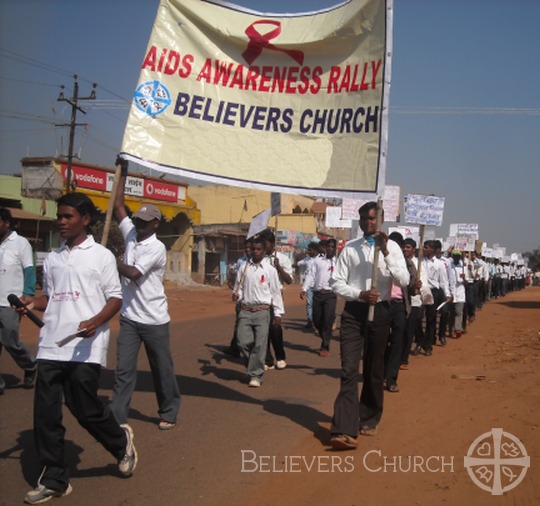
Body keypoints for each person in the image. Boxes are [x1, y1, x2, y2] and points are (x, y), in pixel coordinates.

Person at [18, 192, 136, 504]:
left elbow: (115, 298)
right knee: (45, 414)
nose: (61, 221)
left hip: (86, 346)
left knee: (85, 408)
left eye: (68, 216)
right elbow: (52, 297)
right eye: (60, 216)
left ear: (85, 220)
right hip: (52, 346)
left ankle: (120, 444)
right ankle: (56, 479)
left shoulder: (101, 256)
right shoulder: (54, 257)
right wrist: (34, 302)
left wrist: (96, 321)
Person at [329, 202, 409, 449]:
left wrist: (384, 252)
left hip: (381, 312)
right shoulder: (350, 249)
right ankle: (344, 428)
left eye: (372, 218)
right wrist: (360, 294)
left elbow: (404, 280)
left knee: (374, 368)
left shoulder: (393, 248)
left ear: (381, 219)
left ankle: (370, 417)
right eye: (363, 218)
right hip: (354, 312)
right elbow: (336, 282)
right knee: (349, 369)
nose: (367, 223)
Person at [111, 162, 180, 431]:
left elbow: (134, 274)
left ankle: (169, 410)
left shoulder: (157, 248)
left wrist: (111, 260)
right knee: (123, 371)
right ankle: (117, 416)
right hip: (129, 318)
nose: (138, 225)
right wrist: (123, 170)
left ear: (155, 223)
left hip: (154, 319)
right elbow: (118, 206)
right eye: (136, 220)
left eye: (143, 222)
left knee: (161, 370)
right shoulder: (130, 234)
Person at [233, 236, 284, 387]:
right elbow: (238, 288)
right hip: (246, 311)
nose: (255, 252)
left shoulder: (270, 270)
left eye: (258, 249)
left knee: (260, 345)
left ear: (264, 250)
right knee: (242, 342)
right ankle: (254, 365)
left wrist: (278, 313)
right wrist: (237, 295)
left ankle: (256, 375)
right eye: (253, 249)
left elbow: (275, 292)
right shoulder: (243, 268)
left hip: (263, 311)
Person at [0, 208, 37, 394]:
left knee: (10, 341)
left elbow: (29, 269)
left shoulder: (20, 243)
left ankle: (30, 366)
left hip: (10, 302)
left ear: (7, 223)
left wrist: (28, 292)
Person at [259, 229, 293, 370]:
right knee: (262, 330)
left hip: (275, 296)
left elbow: (289, 280)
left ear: (272, 244)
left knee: (275, 328)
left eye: (265, 243)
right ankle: (267, 359)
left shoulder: (283, 259)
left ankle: (280, 356)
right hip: (261, 297)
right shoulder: (258, 258)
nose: (263, 246)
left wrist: (278, 267)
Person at [300, 238, 337, 356]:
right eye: (328, 247)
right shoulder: (318, 261)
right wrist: (304, 289)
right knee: (316, 320)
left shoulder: (338, 262)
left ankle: (325, 345)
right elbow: (311, 275)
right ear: (325, 248)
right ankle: (325, 336)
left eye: (332, 247)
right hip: (317, 294)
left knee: (327, 320)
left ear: (335, 249)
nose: (330, 249)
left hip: (330, 295)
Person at [225, 240, 251, 357]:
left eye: (250, 248)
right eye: (245, 248)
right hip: (241, 299)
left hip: (255, 299)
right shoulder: (241, 261)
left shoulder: (262, 263)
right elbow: (237, 279)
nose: (247, 250)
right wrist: (235, 291)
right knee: (239, 323)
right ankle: (235, 347)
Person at [296, 241, 319, 330]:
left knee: (316, 305)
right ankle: (310, 321)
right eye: (308, 250)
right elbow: (299, 263)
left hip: (318, 286)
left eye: (310, 250)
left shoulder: (321, 259)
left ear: (316, 250)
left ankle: (317, 321)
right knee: (309, 303)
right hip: (309, 286)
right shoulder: (307, 259)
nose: (308, 252)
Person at [449, 250, 466, 338]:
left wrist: (465, 277)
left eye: (458, 256)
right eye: (454, 256)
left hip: (460, 291)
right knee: (451, 312)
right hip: (451, 291)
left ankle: (458, 328)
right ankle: (451, 330)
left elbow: (467, 282)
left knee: (459, 311)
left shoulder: (464, 266)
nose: (456, 257)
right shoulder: (449, 265)